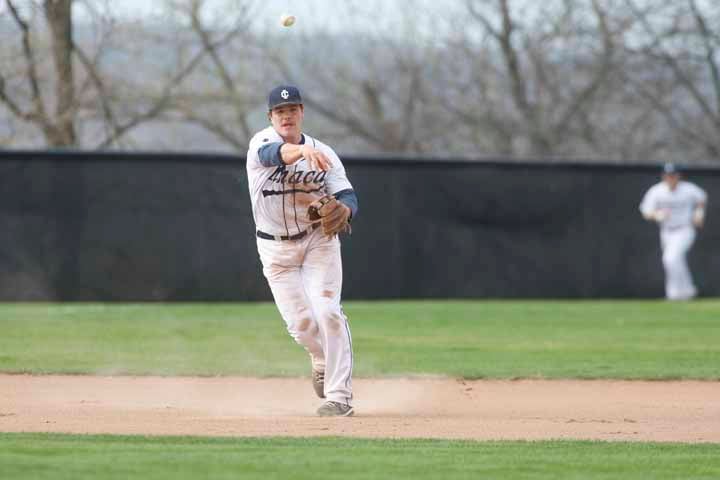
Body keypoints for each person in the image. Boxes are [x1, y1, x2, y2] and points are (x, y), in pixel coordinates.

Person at [246, 85, 358, 416]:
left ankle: (339, 397)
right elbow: (272, 156)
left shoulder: (325, 152)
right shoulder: (260, 143)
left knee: (328, 311)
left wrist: (346, 211)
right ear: (271, 118)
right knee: (301, 325)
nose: (287, 115)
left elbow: (348, 195)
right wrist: (298, 153)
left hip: (316, 240)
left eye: (292, 109)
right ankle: (321, 357)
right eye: (280, 111)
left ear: (302, 113)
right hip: (274, 248)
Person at [639, 163, 707, 300]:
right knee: (673, 261)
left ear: (678, 176)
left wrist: (699, 213)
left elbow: (702, 198)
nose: (670, 179)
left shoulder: (688, 189)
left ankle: (681, 291)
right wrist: (657, 215)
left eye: (673, 176)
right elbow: (645, 211)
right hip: (666, 231)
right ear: (664, 176)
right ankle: (679, 293)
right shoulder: (657, 191)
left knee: (670, 258)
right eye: (668, 176)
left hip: (684, 229)